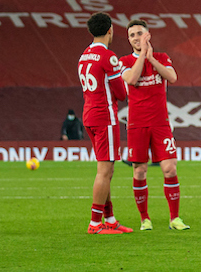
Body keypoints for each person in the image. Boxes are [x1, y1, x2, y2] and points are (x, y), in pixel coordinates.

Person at [121, 20, 190, 231]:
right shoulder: (123, 61)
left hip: (160, 123)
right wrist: (143, 56)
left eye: (139, 33)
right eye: (132, 35)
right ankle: (145, 219)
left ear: (147, 35)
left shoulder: (161, 57)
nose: (135, 37)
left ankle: (175, 218)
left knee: (169, 168)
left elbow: (172, 77)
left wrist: (151, 57)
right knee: (139, 171)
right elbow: (132, 79)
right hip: (137, 124)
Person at [78, 12, 132, 234]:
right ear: (110, 30)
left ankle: (109, 218)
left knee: (105, 169)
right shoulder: (108, 57)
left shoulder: (83, 56)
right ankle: (95, 223)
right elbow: (120, 93)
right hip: (105, 117)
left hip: (89, 114)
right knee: (105, 170)